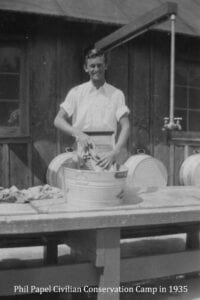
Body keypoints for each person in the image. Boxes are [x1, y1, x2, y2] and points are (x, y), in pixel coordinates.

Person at [54, 48, 130, 169]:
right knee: (83, 185)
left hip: (107, 154)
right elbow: (58, 120)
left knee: (106, 186)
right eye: (92, 66)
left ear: (105, 66)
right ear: (86, 68)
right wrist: (78, 133)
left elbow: (126, 126)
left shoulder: (117, 94)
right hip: (82, 151)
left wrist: (115, 152)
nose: (96, 69)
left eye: (100, 65)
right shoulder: (76, 92)